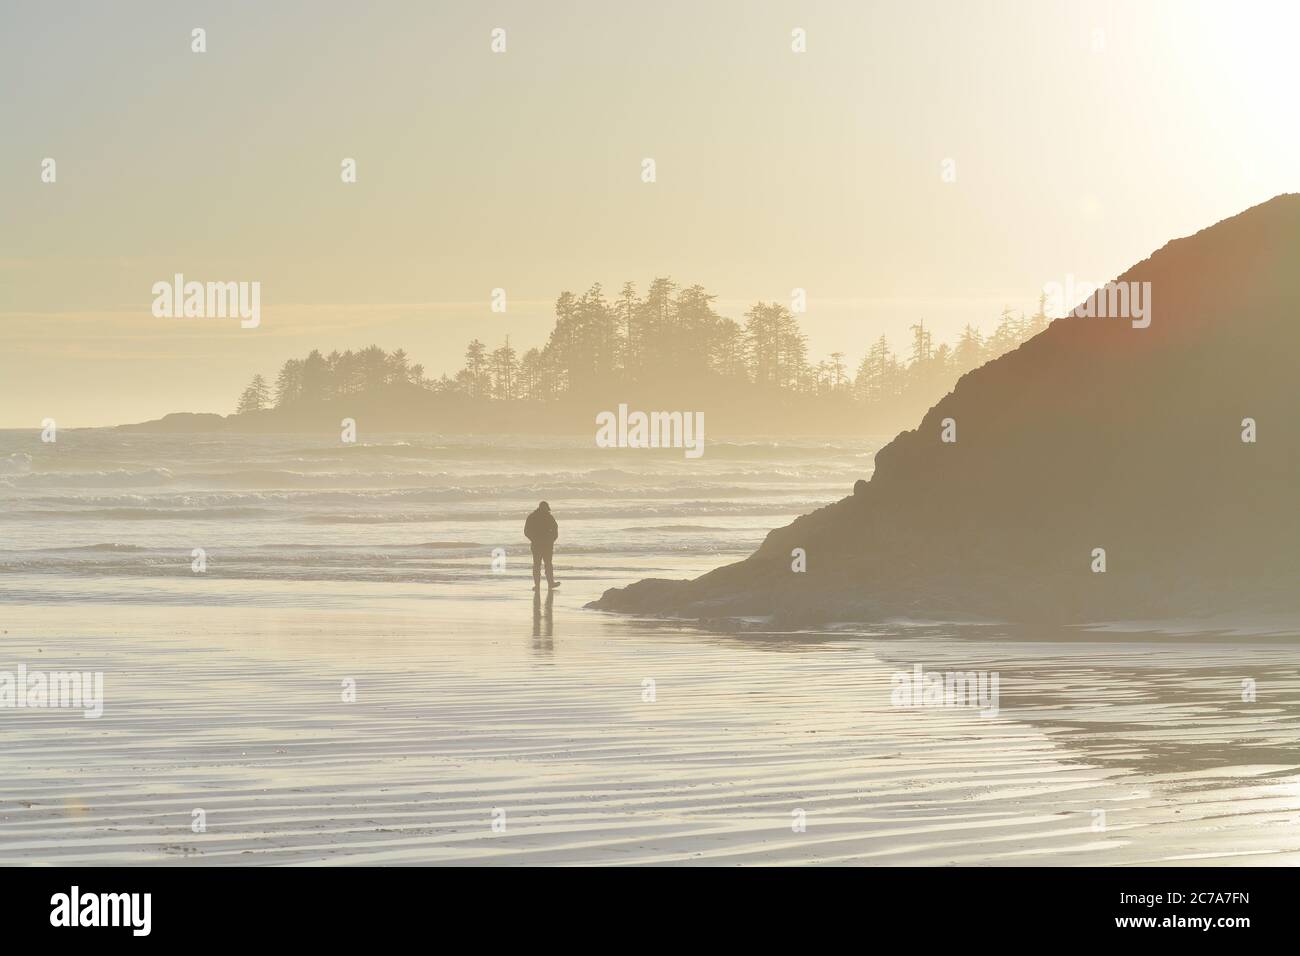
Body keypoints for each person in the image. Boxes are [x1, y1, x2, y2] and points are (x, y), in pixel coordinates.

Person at [524, 501, 559, 590]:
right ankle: (548, 584)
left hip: (538, 545)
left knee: (538, 565)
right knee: (547, 565)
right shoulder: (548, 517)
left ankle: (539, 585)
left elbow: (526, 531)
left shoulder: (532, 517)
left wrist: (534, 539)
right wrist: (551, 540)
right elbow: (555, 531)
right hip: (545, 545)